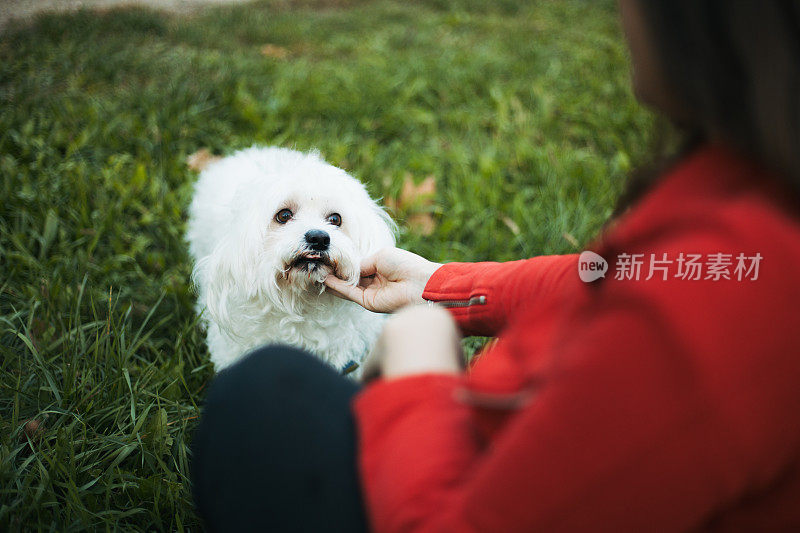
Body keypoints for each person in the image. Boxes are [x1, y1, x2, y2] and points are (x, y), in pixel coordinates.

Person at [191, 0, 800, 531]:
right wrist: (443, 286)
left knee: (261, 402)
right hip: (498, 446)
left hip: (459, 482)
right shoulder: (742, 203)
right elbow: (604, 278)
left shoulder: (722, 310)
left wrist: (419, 359)